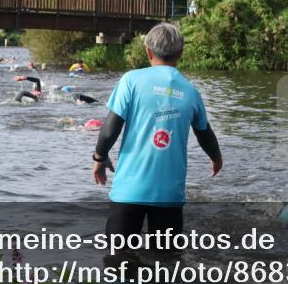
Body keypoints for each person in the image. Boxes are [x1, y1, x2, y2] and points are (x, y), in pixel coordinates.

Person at [92, 22, 222, 242]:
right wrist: (216, 158)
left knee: (118, 259)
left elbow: (110, 129)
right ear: (180, 53)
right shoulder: (191, 92)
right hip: (169, 195)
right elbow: (204, 133)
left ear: (148, 52)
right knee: (166, 262)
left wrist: (99, 157)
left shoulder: (131, 80)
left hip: (129, 191)